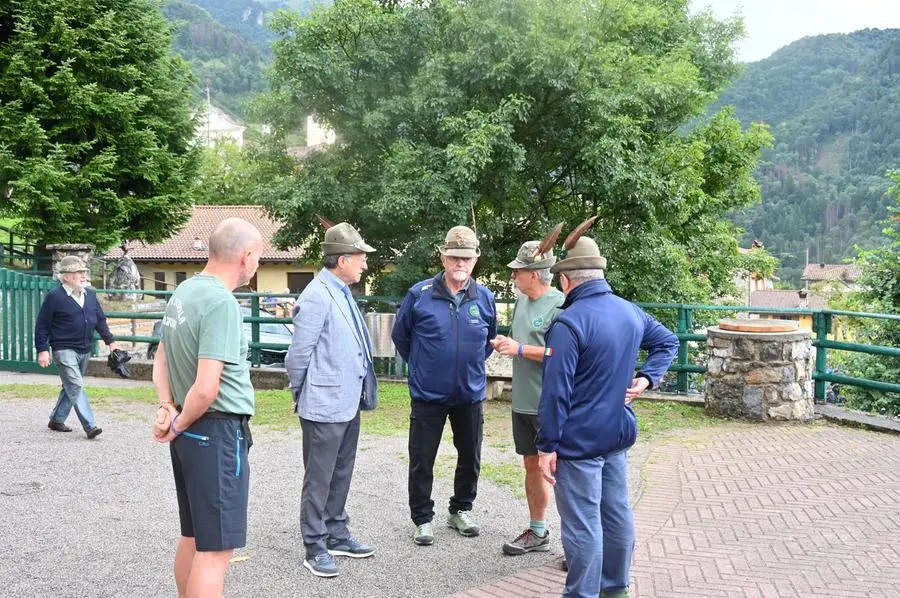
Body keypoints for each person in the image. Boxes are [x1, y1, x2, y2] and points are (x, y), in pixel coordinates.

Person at [536, 220, 679, 598]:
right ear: (598, 274)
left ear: (567, 281)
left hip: (579, 441)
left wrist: (546, 446)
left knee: (582, 525)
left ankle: (582, 594)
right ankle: (616, 589)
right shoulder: (630, 311)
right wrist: (648, 378)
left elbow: (556, 393)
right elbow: (668, 341)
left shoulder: (568, 323)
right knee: (616, 514)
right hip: (617, 432)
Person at [151, 218, 264, 598]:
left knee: (194, 537)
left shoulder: (183, 292)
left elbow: (162, 358)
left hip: (192, 432)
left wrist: (167, 407)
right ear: (245, 255)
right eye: (259, 256)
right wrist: (179, 422)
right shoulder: (221, 302)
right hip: (215, 432)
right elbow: (206, 388)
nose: (258, 265)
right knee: (216, 551)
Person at [391, 225, 498, 546]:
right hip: (428, 396)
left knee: (470, 455)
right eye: (454, 257)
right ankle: (422, 518)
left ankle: (461, 509)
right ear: (443, 257)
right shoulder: (419, 294)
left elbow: (488, 342)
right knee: (422, 458)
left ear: (475, 259)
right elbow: (402, 337)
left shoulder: (486, 298)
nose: (460, 263)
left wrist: (470, 367)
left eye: (466, 258)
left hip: (469, 395)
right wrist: (425, 366)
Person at [285, 221, 378, 578]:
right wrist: (302, 393)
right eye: (359, 258)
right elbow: (298, 356)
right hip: (323, 405)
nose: (365, 264)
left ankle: (336, 532)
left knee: (341, 472)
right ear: (341, 260)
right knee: (319, 478)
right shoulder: (316, 295)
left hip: (346, 402)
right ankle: (315, 545)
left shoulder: (338, 290)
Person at [489, 234, 565, 556]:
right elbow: (524, 340)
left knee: (563, 471)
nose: (513, 275)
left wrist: (519, 349)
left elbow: (561, 353)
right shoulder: (522, 301)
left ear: (534, 274)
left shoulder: (561, 304)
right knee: (531, 466)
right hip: (522, 403)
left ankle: (576, 544)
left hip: (549, 404)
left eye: (518, 270)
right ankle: (538, 532)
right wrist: (507, 343)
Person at [35, 255, 116, 439]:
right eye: (78, 272)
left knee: (70, 386)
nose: (83, 275)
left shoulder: (90, 295)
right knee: (76, 384)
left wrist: (110, 341)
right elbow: (42, 325)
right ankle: (90, 426)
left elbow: (100, 320)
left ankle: (56, 419)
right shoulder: (54, 297)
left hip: (84, 349)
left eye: (84, 272)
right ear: (66, 277)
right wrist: (42, 350)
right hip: (63, 349)